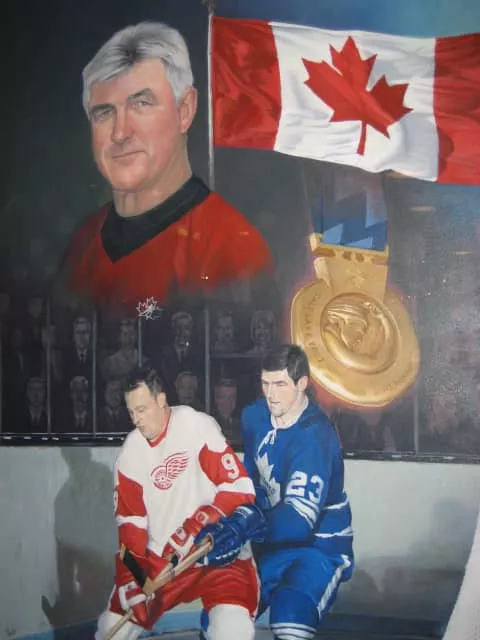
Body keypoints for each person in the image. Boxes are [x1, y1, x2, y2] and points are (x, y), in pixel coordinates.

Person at [60, 22, 273, 312]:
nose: (120, 133)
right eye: (104, 113)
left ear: (185, 111)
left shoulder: (231, 248)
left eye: (141, 104)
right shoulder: (82, 246)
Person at [95, 365, 264, 640]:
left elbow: (239, 488)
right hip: (162, 560)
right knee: (111, 631)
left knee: (233, 630)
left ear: (161, 400)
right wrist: (132, 581)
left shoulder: (195, 425)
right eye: (131, 412)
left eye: (142, 410)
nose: (136, 420)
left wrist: (200, 523)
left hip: (216, 552)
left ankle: (213, 625)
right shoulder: (130, 456)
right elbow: (131, 530)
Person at [198, 344, 354, 640]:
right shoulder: (254, 416)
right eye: (265, 383)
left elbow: (298, 521)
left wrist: (246, 525)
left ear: (302, 383)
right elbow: (251, 482)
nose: (271, 394)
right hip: (270, 543)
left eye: (280, 384)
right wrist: (229, 520)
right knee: (221, 616)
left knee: (291, 617)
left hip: (318, 546)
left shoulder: (315, 434)